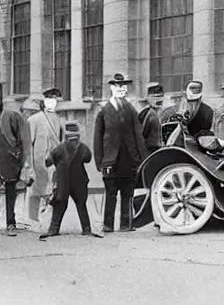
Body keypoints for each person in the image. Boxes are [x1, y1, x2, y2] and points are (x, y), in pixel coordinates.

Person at [93, 72, 147, 232]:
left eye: (123, 86)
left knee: (127, 194)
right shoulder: (104, 111)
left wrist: (143, 159)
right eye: (117, 86)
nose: (121, 89)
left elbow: (138, 135)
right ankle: (108, 225)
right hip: (111, 161)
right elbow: (97, 139)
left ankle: (126, 224)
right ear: (111, 88)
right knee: (111, 194)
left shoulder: (130, 109)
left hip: (129, 160)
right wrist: (100, 162)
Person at [39, 122, 103, 239]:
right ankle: (86, 229)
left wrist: (48, 154)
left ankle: (53, 229)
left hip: (63, 183)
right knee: (81, 205)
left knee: (60, 206)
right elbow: (88, 158)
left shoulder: (58, 149)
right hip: (79, 182)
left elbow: (48, 162)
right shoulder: (83, 148)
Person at [27, 87, 65, 228]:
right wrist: (29, 166)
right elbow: (28, 144)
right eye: (49, 99)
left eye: (54, 100)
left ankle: (48, 221)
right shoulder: (34, 120)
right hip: (38, 162)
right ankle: (32, 220)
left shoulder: (59, 120)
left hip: (54, 162)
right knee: (36, 191)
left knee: (52, 191)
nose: (51, 103)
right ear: (44, 101)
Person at [0, 97, 33, 235]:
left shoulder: (11, 116)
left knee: (10, 191)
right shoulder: (13, 115)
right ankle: (10, 223)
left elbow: (23, 140)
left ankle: (11, 223)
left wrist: (24, 160)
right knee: (10, 191)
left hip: (9, 158)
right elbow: (23, 140)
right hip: (8, 158)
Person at [137, 82, 165, 154]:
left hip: (159, 149)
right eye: (154, 97)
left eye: (160, 97)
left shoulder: (164, 112)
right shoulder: (145, 114)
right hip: (149, 150)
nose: (158, 100)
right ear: (148, 98)